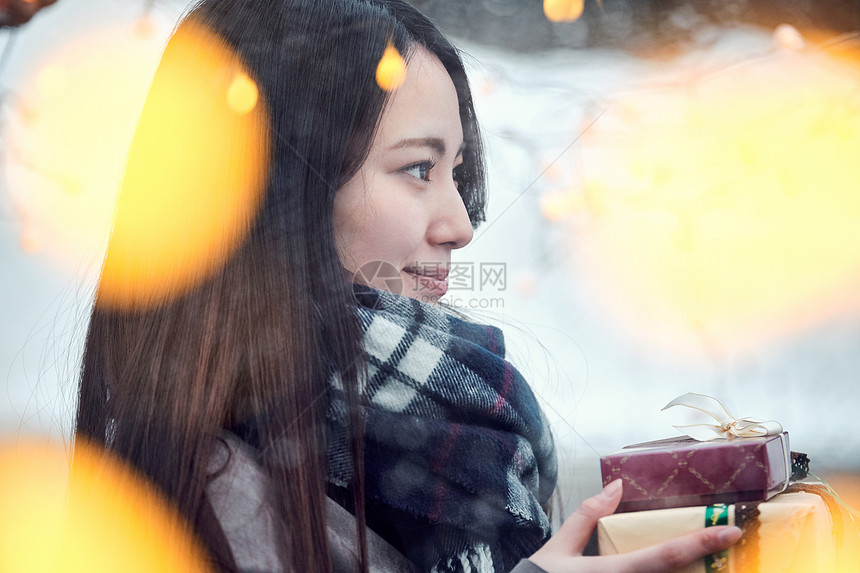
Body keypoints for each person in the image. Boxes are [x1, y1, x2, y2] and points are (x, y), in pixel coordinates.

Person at [74, 0, 742, 571]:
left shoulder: (462, 436)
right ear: (278, 194)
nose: (460, 225)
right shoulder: (214, 502)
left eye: (455, 170)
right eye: (417, 168)